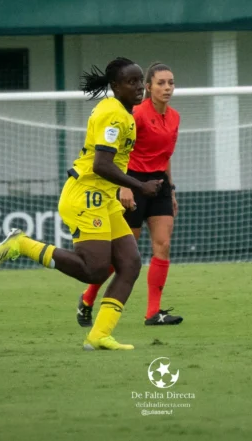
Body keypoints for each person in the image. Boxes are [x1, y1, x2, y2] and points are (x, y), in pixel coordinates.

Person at [0, 57, 162, 351]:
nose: (138, 88)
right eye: (130, 82)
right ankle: (22, 244)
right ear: (115, 86)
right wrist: (138, 186)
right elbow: (101, 165)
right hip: (86, 194)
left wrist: (122, 190)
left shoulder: (123, 113)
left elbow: (111, 164)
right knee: (94, 270)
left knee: (130, 264)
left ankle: (99, 335)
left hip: (102, 197)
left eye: (138, 81)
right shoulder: (114, 115)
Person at [76, 63, 182, 328]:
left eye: (170, 83)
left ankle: (153, 313)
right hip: (132, 181)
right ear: (148, 87)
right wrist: (125, 187)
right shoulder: (135, 114)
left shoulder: (175, 117)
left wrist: (171, 190)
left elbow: (166, 156)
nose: (167, 88)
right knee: (123, 257)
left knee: (163, 245)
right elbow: (121, 154)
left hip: (159, 184)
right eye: (160, 83)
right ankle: (87, 300)